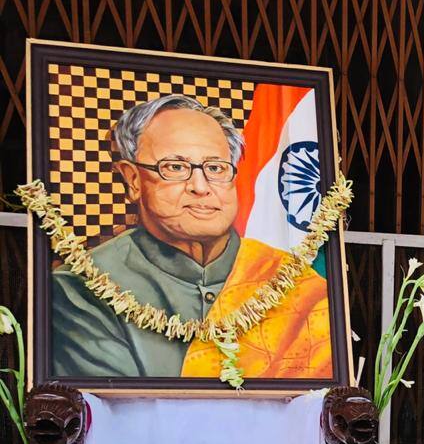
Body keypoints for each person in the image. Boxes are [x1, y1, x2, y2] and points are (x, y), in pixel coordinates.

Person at [51, 93, 332, 380]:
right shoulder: (83, 287)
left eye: (215, 168)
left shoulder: (296, 284)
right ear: (133, 180)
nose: (200, 186)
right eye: (175, 167)